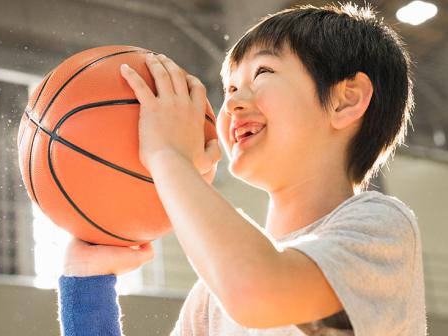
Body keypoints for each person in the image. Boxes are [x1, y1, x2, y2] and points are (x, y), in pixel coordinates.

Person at [58, 3, 426, 335]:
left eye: (263, 72)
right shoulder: (211, 296)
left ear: (346, 100)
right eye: (230, 86)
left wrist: (168, 155)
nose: (232, 100)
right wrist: (88, 287)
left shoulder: (380, 226)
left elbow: (258, 290)